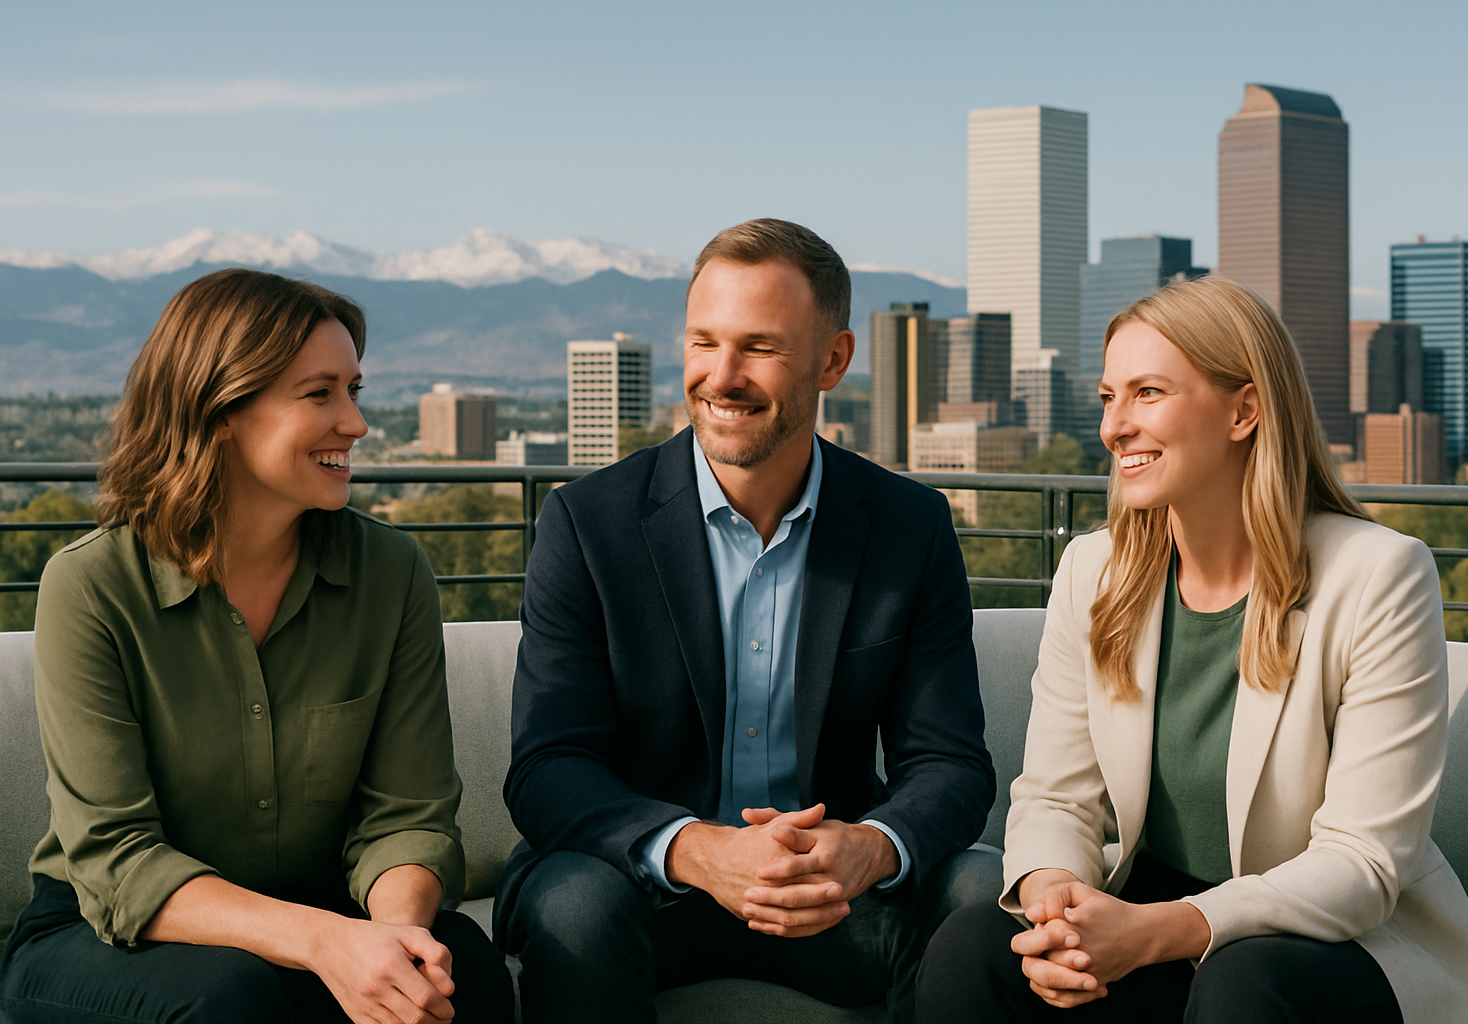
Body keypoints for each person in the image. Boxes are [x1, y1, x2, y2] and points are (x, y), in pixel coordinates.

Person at [915, 276, 1468, 1024]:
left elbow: (1362, 863)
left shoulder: (1379, 575)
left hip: (1334, 941)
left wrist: (1157, 932)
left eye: (1149, 393)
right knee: (975, 947)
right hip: (1150, 912)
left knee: (1241, 981)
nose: (1115, 427)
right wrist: (1054, 905)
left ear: (1244, 410)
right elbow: (1057, 796)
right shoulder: (1092, 573)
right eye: (1108, 398)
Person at [494, 218, 998, 1023]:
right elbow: (548, 766)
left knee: (980, 887)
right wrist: (698, 850)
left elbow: (951, 763)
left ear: (834, 360)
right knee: (574, 903)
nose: (720, 376)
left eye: (759, 348)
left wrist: (868, 849)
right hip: (635, 886)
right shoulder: (588, 523)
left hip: (831, 896)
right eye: (703, 343)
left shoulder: (910, 526)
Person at [0, 269, 513, 1024]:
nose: (357, 424)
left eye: (354, 391)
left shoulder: (391, 573)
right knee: (226, 995)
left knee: (456, 966)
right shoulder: (92, 588)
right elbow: (117, 861)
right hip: (107, 936)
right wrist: (326, 944)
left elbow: (407, 816)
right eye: (320, 395)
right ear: (220, 410)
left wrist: (394, 944)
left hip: (321, 912)